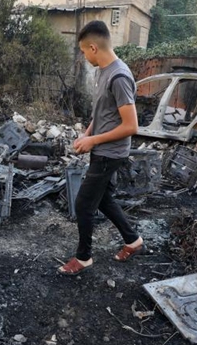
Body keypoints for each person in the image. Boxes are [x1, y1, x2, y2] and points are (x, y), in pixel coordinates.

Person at [59, 20, 143, 276]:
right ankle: (133, 241)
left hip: (111, 153)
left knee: (84, 204)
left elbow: (131, 126)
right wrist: (88, 133)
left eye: (84, 51)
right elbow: (104, 111)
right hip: (102, 149)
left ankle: (84, 257)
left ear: (93, 48)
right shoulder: (102, 72)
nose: (84, 57)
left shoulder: (119, 76)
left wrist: (93, 141)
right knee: (103, 199)